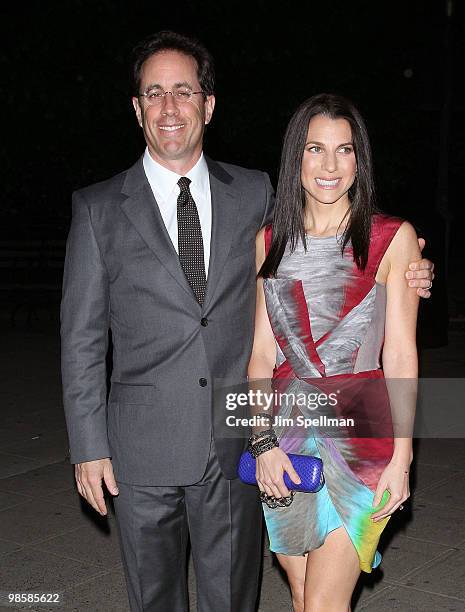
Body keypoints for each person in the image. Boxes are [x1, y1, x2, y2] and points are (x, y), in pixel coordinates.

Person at [60, 31, 434, 612]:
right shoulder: (98, 208)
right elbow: (81, 338)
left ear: (208, 104)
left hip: (257, 439)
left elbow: (347, 256)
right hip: (171, 445)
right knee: (176, 598)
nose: (169, 107)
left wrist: (411, 271)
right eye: (154, 93)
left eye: (184, 91)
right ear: (136, 109)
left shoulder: (253, 195)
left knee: (250, 600)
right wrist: (89, 446)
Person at [248, 93, 422, 612]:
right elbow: (260, 353)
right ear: (294, 158)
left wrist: (404, 458)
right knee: (303, 596)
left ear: (358, 160)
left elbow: (402, 357)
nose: (329, 165)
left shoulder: (393, 238)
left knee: (323, 602)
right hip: (286, 435)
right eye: (314, 149)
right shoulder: (270, 240)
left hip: (364, 435)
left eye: (344, 150)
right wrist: (263, 444)